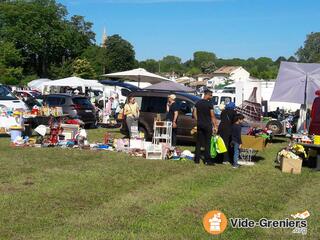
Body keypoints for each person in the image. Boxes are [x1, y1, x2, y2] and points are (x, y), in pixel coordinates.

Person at [193, 89, 219, 165]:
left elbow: (194, 113)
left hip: (200, 124)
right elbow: (212, 116)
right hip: (207, 125)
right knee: (208, 143)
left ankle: (196, 160)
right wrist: (215, 126)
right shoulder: (209, 104)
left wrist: (198, 120)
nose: (211, 97)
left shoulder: (198, 102)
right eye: (211, 95)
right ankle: (207, 160)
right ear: (207, 95)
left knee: (198, 142)